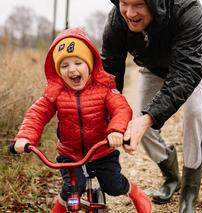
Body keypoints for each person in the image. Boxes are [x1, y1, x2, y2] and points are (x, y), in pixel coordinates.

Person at [12, 28, 152, 213]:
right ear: (58, 71)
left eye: (78, 62)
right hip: (70, 154)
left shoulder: (104, 89)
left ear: (90, 64)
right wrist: (25, 138)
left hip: (101, 150)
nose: (72, 69)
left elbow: (121, 109)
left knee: (113, 186)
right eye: (64, 66)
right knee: (72, 188)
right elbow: (36, 115)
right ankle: (58, 208)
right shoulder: (55, 93)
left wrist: (116, 131)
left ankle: (134, 192)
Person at [101, 0, 202, 212]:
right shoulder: (117, 19)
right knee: (140, 126)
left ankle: (189, 192)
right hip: (152, 67)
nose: (129, 12)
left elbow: (185, 72)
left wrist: (150, 117)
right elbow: (110, 70)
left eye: (138, 5)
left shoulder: (188, 9)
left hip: (195, 63)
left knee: (195, 113)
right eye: (124, 3)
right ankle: (172, 177)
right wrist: (109, 117)